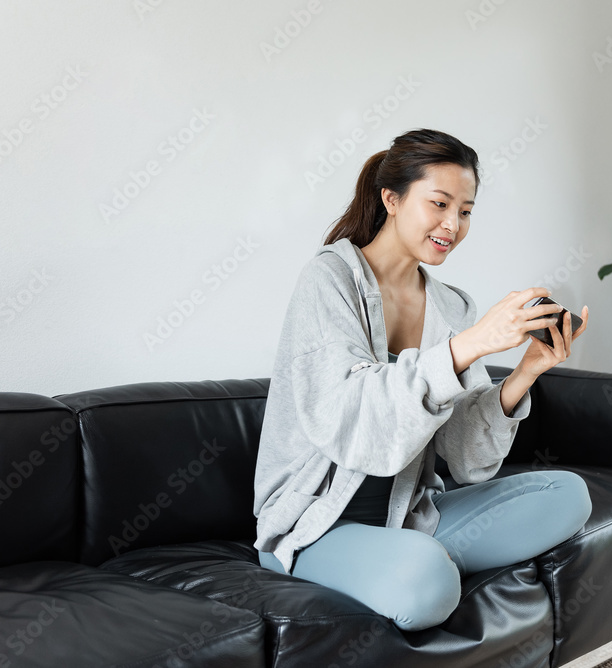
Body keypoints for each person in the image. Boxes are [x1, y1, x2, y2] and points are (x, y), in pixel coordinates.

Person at [253, 128, 592, 632]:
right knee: (427, 583)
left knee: (568, 494)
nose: (452, 224)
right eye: (439, 203)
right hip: (319, 522)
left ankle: (403, 556)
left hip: (411, 513)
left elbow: (464, 455)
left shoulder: (452, 304)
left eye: (466, 210)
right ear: (391, 198)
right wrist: (468, 345)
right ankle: (410, 562)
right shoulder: (329, 279)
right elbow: (351, 418)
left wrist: (525, 372)